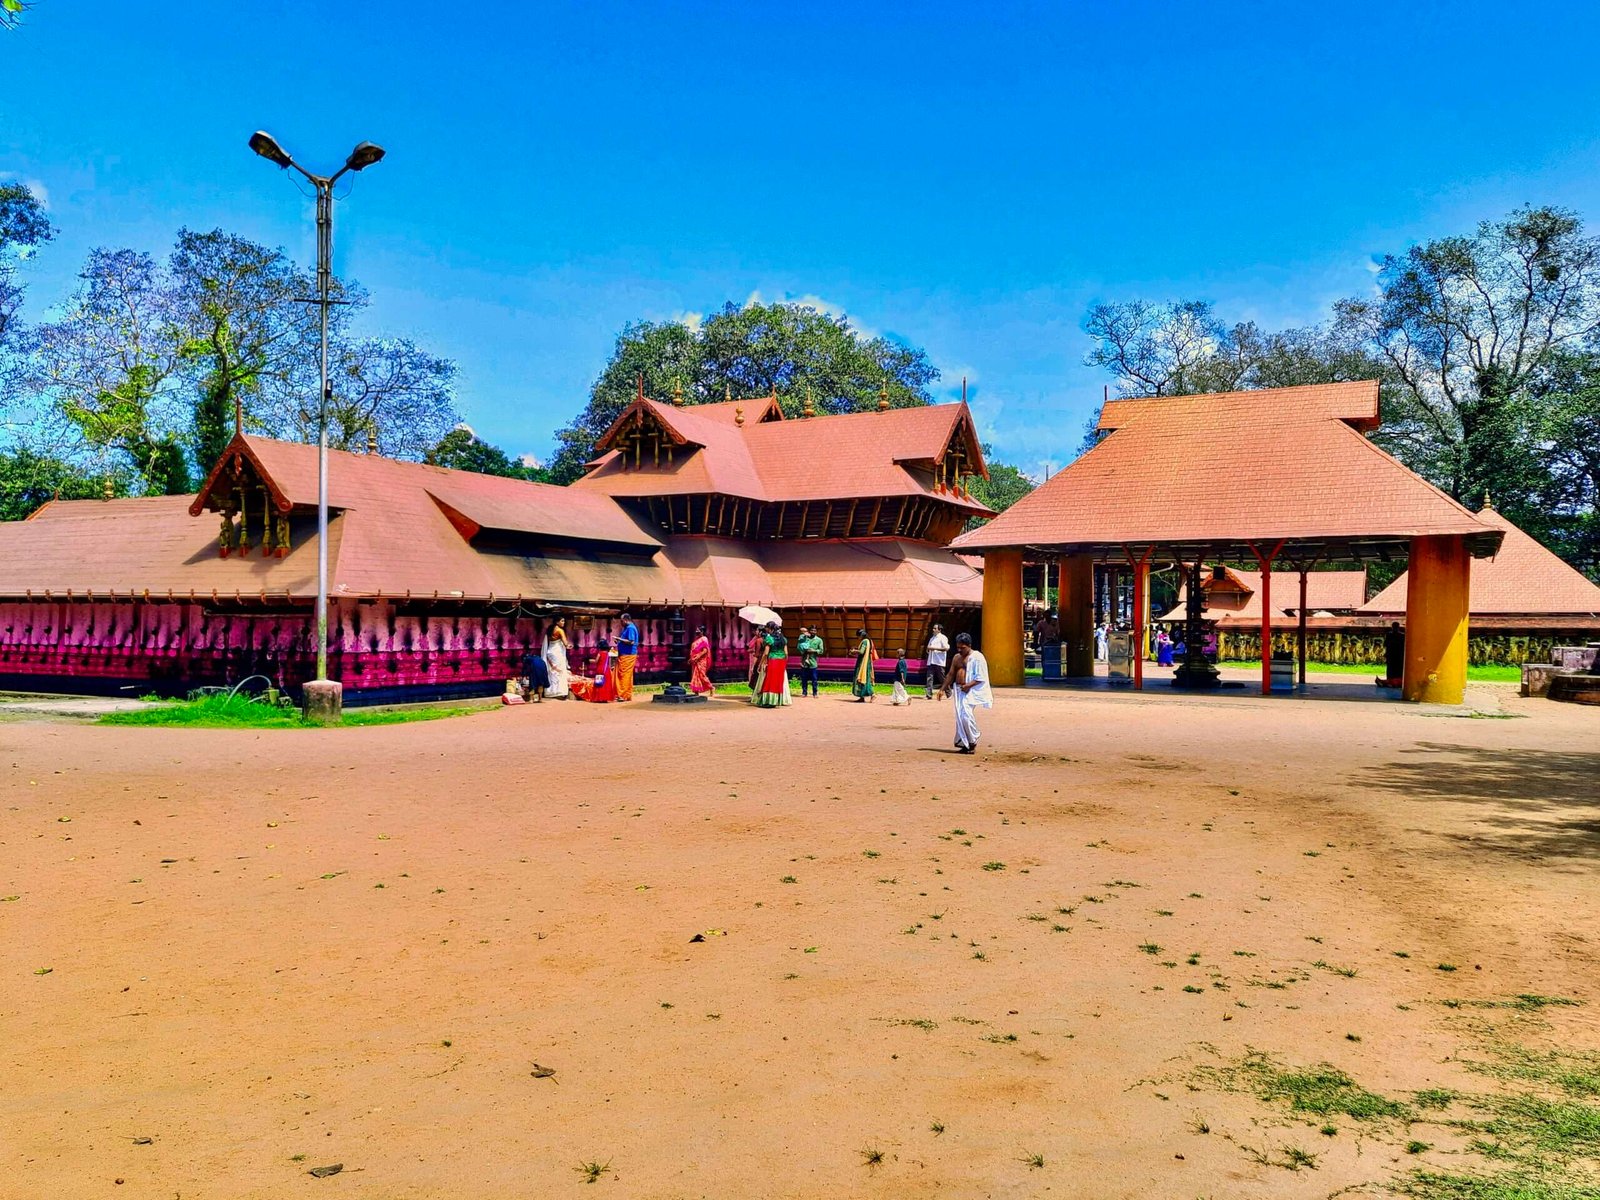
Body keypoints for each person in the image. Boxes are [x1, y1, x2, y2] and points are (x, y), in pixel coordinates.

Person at [942, 632, 993, 754]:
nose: (959, 650)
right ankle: (965, 743)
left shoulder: (978, 657)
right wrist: (942, 688)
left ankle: (973, 738)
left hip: (971, 690)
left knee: (966, 715)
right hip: (959, 690)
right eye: (958, 647)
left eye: (962, 648)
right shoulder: (956, 658)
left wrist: (968, 685)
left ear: (969, 645)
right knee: (960, 717)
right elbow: (951, 674)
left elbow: (981, 677)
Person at [753, 621, 791, 708]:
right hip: (781, 661)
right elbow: (786, 653)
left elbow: (766, 653)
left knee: (769, 680)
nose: (766, 629)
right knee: (778, 680)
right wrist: (785, 663)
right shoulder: (784, 639)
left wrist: (761, 664)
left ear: (770, 629)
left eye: (767, 628)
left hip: (773, 660)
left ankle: (769, 701)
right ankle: (777, 700)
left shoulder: (769, 639)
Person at [543, 618, 571, 699]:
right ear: (557, 621)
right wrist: (568, 646)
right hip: (557, 652)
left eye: (564, 621)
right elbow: (565, 643)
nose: (564, 622)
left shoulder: (550, 630)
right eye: (562, 621)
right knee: (559, 671)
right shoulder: (560, 630)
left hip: (550, 651)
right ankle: (559, 691)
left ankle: (550, 691)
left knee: (552, 671)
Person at [614, 612, 640, 701]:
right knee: (626, 675)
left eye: (621, 621)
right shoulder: (627, 628)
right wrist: (619, 642)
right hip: (624, 654)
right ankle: (626, 694)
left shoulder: (630, 628)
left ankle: (623, 695)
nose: (621, 623)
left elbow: (631, 641)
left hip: (628, 654)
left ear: (625, 620)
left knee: (624, 675)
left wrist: (619, 639)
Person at [795, 625, 824, 697]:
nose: (813, 632)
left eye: (814, 631)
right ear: (809, 631)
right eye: (811, 630)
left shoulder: (819, 640)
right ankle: (804, 692)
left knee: (814, 679)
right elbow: (799, 647)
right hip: (804, 662)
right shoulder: (804, 638)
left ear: (816, 632)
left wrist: (814, 651)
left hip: (813, 662)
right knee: (804, 678)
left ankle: (815, 693)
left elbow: (821, 651)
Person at [586, 637, 617, 703]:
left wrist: (588, 660)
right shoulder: (608, 653)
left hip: (600, 669)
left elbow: (596, 661)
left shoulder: (600, 653)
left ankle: (599, 698)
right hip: (606, 670)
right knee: (606, 684)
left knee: (599, 683)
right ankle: (605, 698)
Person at [851, 628, 877, 702]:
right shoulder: (869, 641)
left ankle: (872, 694)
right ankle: (862, 697)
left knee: (863, 679)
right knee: (862, 679)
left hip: (863, 663)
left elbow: (862, 652)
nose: (858, 638)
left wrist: (854, 651)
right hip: (865, 662)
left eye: (858, 636)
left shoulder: (865, 641)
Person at [689, 625, 716, 696]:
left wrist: (697, 657)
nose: (696, 632)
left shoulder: (704, 639)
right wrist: (691, 659)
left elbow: (705, 650)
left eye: (698, 631)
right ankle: (696, 691)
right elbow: (693, 651)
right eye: (696, 631)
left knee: (702, 675)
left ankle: (711, 687)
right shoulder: (696, 640)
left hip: (701, 661)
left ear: (702, 631)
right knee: (695, 676)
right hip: (695, 661)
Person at [924, 623, 949, 699]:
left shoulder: (943, 638)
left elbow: (946, 648)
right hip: (931, 660)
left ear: (939, 630)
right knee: (929, 678)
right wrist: (928, 649)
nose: (933, 630)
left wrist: (934, 648)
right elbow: (929, 647)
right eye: (933, 628)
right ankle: (929, 694)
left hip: (939, 661)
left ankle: (948, 692)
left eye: (935, 628)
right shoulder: (932, 638)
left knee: (941, 678)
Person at [1381, 620, 1405, 687]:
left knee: (1390, 669)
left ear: (1392, 627)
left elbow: (1385, 644)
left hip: (1391, 655)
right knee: (1398, 669)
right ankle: (1398, 681)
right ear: (1398, 627)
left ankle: (1390, 681)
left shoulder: (1389, 635)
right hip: (1399, 655)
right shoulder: (1402, 636)